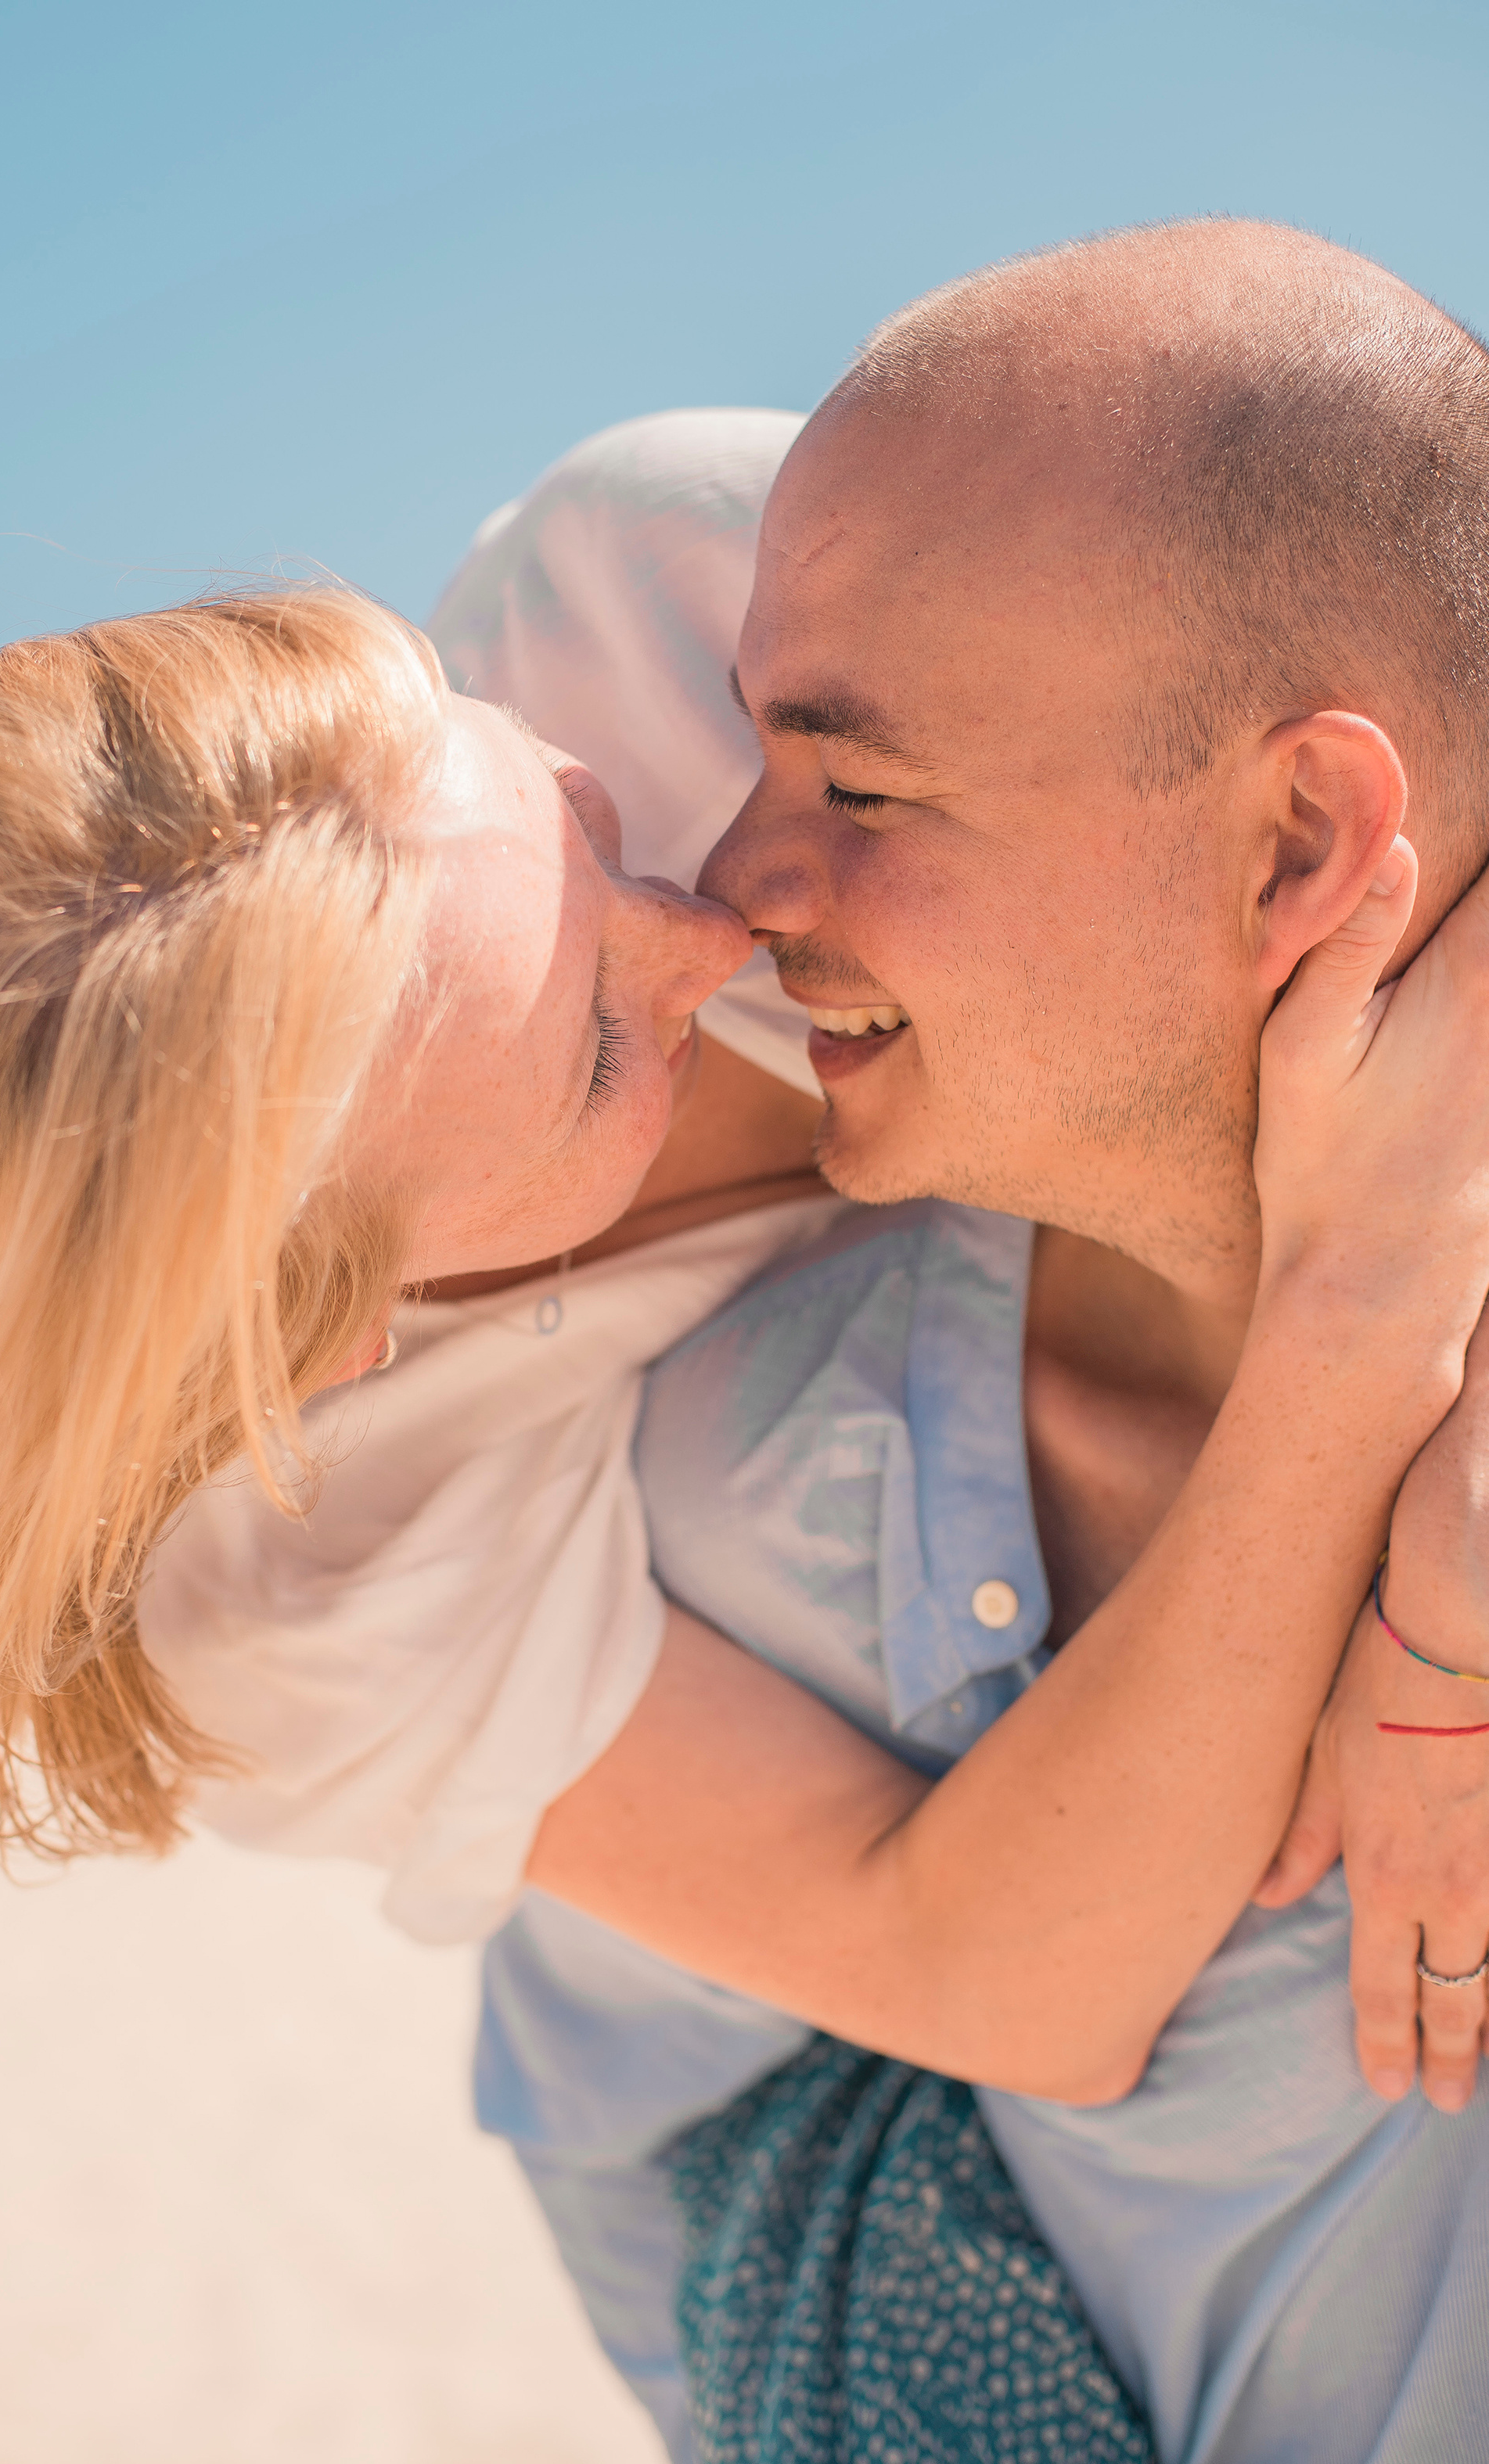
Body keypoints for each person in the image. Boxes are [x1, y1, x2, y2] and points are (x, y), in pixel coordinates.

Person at [0, 246, 1484, 2464]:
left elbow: (1410, 744)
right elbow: (994, 1979)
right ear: (329, 1324)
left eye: (583, 820)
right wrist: (1364, 1351)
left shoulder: (658, 596)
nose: (719, 916)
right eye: (600, 1045)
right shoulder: (279, 1556)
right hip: (802, 2069)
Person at [469, 221, 1489, 2463]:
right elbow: (670, 2212)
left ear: (1301, 838)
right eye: (758, 760)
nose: (739, 883)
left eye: (864, 788)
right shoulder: (709, 1511)